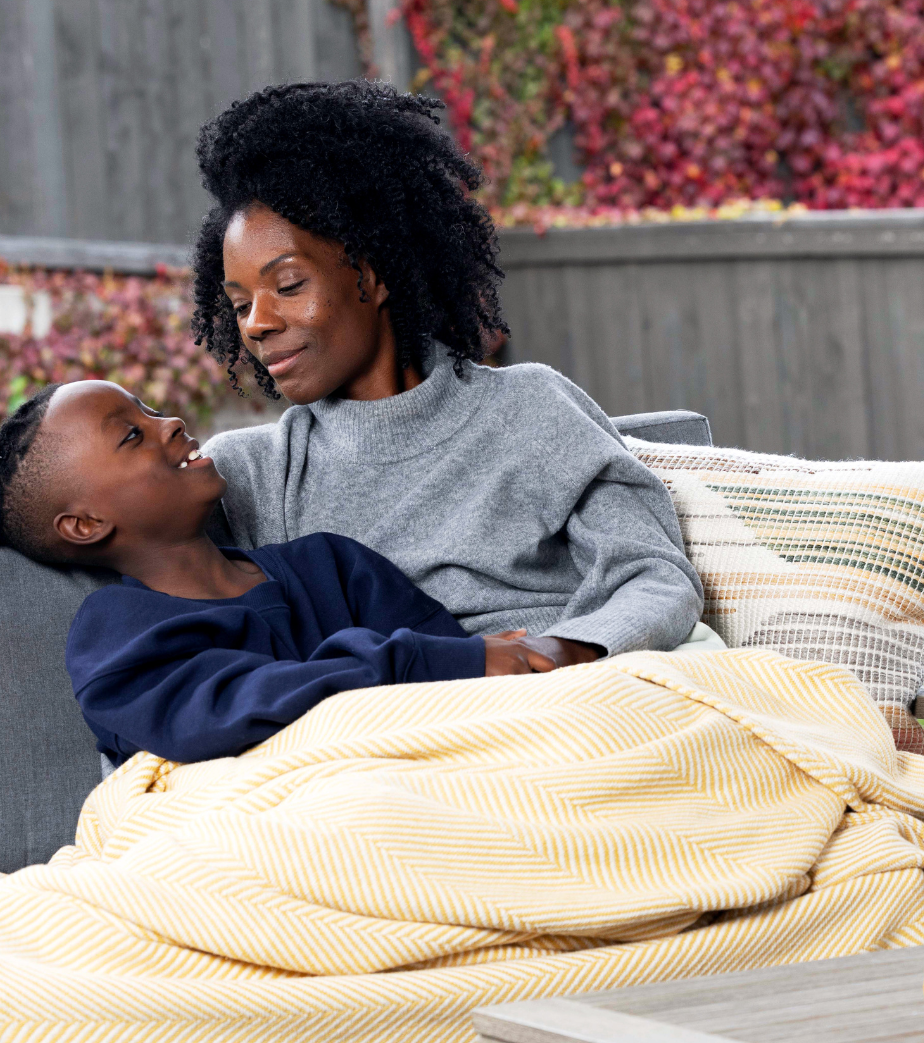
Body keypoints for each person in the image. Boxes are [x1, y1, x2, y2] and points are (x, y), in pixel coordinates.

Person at [192, 80, 710, 668]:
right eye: (239, 304)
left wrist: (558, 652)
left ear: (378, 273)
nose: (256, 324)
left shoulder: (530, 408)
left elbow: (654, 575)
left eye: (288, 286)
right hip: (386, 723)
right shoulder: (250, 472)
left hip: (565, 691)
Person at [0, 380, 565, 767]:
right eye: (132, 434)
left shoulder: (331, 565)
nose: (169, 422)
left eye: (150, 408)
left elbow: (466, 697)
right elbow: (224, 716)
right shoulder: (117, 631)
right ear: (85, 524)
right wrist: (413, 663)